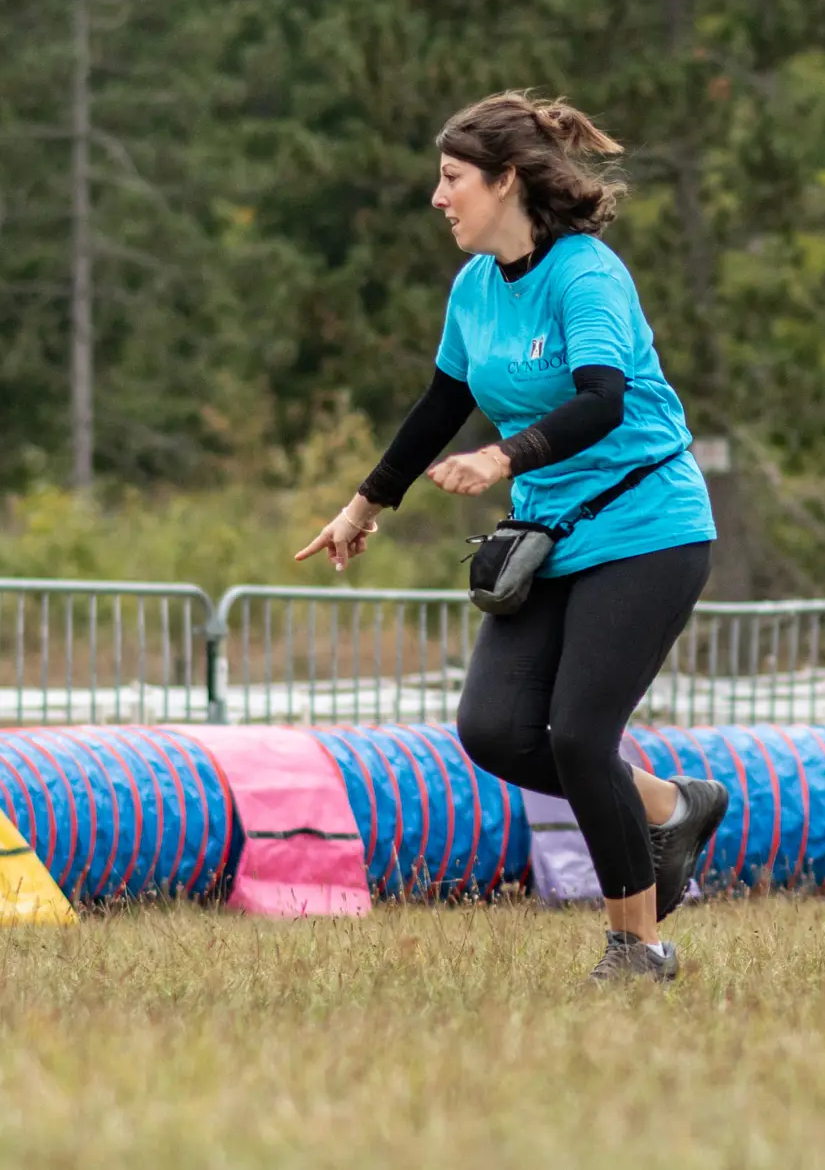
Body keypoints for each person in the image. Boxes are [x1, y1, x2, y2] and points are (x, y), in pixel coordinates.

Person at [294, 90, 729, 984]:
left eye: (452, 179)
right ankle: (668, 804)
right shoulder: (475, 288)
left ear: (505, 180)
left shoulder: (586, 274)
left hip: (648, 525)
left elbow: (603, 399)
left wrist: (503, 458)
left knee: (578, 734)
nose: (438, 196)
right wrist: (363, 504)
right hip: (553, 532)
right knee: (492, 729)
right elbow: (440, 405)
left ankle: (637, 946)